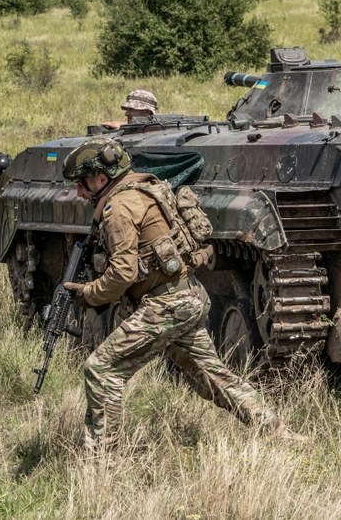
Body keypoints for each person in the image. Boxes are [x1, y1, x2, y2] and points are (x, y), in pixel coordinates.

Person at [61, 137, 302, 453]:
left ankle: (101, 464)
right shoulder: (147, 189)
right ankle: (282, 435)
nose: (78, 192)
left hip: (167, 306)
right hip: (187, 296)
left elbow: (122, 274)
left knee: (102, 369)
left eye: (82, 183)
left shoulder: (118, 208)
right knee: (211, 378)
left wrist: (88, 294)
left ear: (101, 179)